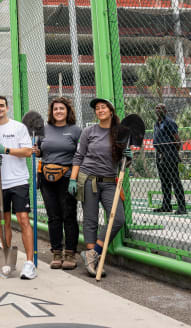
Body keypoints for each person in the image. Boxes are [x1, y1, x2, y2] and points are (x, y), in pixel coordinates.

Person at [70, 97, 132, 277]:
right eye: (97, 108)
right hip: (88, 179)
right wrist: (73, 179)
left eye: (103, 107)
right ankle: (92, 260)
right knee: (90, 220)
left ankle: (93, 251)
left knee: (118, 219)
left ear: (111, 111)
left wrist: (128, 158)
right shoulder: (89, 131)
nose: (100, 110)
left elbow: (123, 163)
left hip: (110, 181)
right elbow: (79, 156)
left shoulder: (120, 133)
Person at [0, 96, 37, 279]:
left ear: (7, 107)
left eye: (1, 106)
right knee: (4, 223)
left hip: (18, 181)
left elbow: (28, 152)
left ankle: (29, 263)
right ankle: (6, 260)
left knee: (23, 219)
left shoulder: (18, 127)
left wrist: (6, 151)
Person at [35, 97, 81, 270]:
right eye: (55, 109)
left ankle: (70, 253)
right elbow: (40, 152)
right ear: (51, 112)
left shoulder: (76, 131)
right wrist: (36, 151)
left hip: (67, 177)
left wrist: (75, 178)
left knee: (68, 215)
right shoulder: (43, 130)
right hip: (47, 178)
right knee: (53, 216)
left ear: (68, 111)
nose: (59, 112)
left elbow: (81, 154)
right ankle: (56, 252)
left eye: (62, 108)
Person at [152, 103, 187, 215]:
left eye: (160, 108)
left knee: (175, 180)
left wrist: (173, 153)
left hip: (169, 153)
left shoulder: (169, 122)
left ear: (165, 111)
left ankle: (182, 207)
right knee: (164, 181)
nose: (158, 110)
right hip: (159, 154)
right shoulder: (157, 123)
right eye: (156, 108)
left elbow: (177, 140)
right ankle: (166, 205)